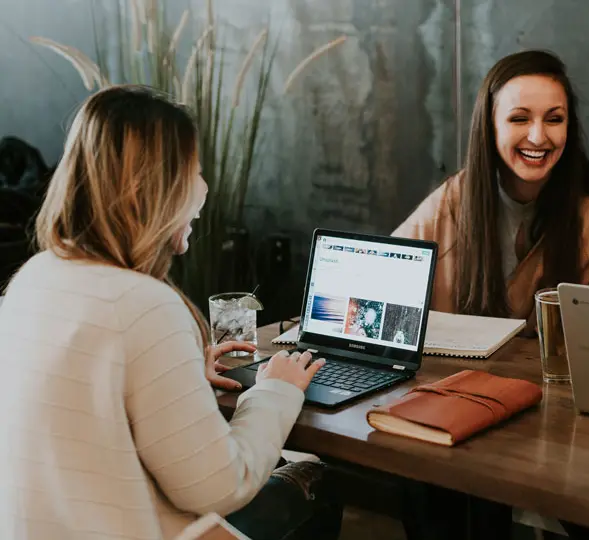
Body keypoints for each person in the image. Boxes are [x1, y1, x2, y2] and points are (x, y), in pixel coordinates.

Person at [0, 85, 342, 540]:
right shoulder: (145, 306)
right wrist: (275, 391)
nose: (202, 189)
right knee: (316, 479)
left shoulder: (33, 278)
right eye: (194, 171)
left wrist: (178, 374)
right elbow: (220, 488)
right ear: (153, 187)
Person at [393, 49, 589, 328]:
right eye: (519, 119)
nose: (538, 137)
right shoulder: (453, 200)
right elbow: (382, 280)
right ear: (490, 126)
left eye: (554, 119)